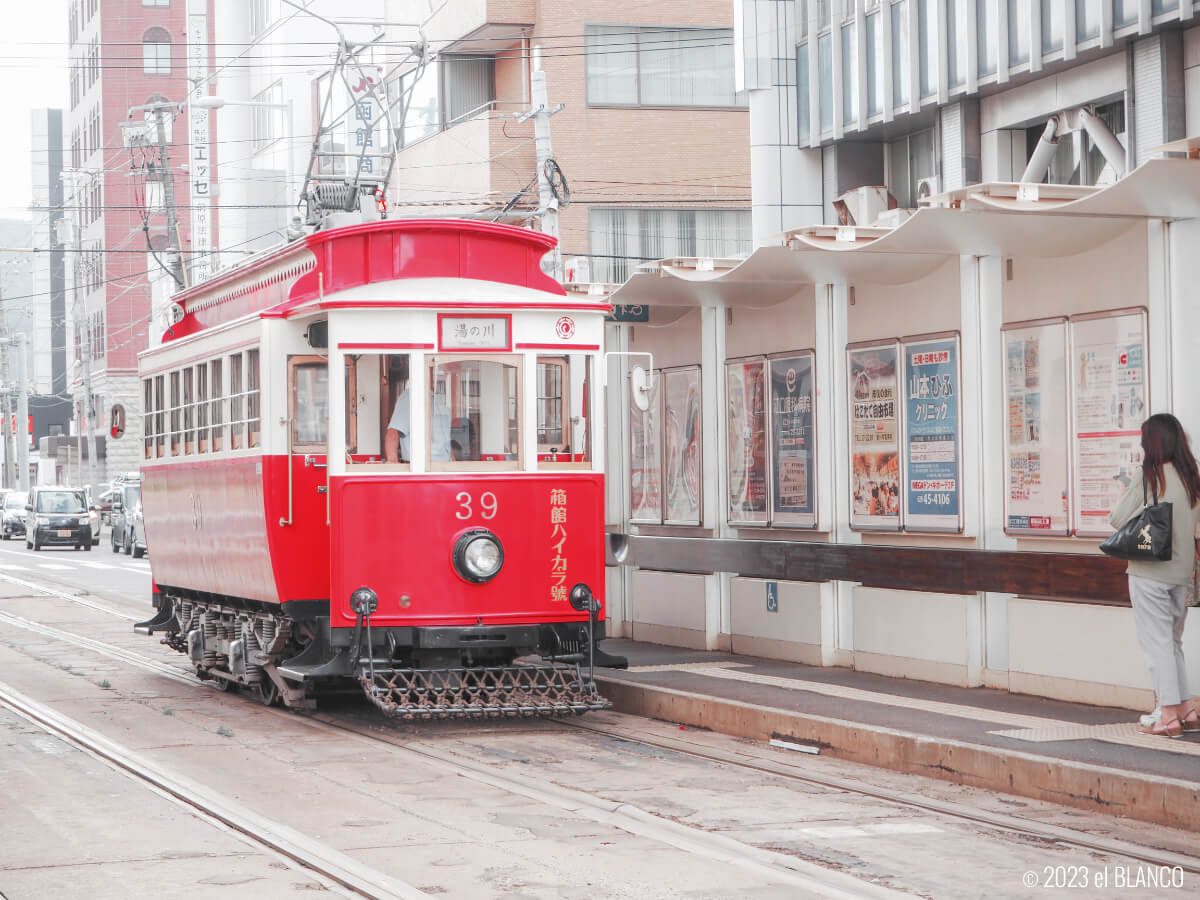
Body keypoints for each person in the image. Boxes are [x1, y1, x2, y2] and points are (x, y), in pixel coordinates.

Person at [1109, 413, 1200, 737]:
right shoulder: (1192, 475)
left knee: (1156, 645)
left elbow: (1118, 518)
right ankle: (1186, 710)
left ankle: (1169, 718)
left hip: (1150, 571)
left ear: (1152, 444)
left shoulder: (1150, 475)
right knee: (1173, 643)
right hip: (1182, 574)